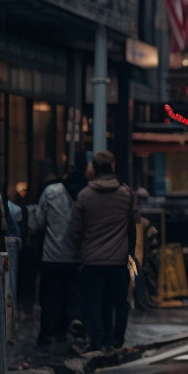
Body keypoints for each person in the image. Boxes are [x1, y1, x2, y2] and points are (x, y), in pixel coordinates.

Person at [69, 151, 137, 354]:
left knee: (95, 301)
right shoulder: (126, 193)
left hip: (92, 260)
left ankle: (97, 341)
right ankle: (115, 341)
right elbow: (133, 227)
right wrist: (130, 254)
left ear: (94, 168)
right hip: (118, 259)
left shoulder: (84, 195)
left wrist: (82, 250)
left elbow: (75, 231)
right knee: (119, 302)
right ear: (113, 166)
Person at [37, 168, 88, 351]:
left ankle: (47, 336)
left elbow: (39, 220)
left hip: (52, 256)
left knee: (50, 298)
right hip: (78, 257)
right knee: (73, 297)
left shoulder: (51, 191)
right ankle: (67, 329)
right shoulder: (87, 194)